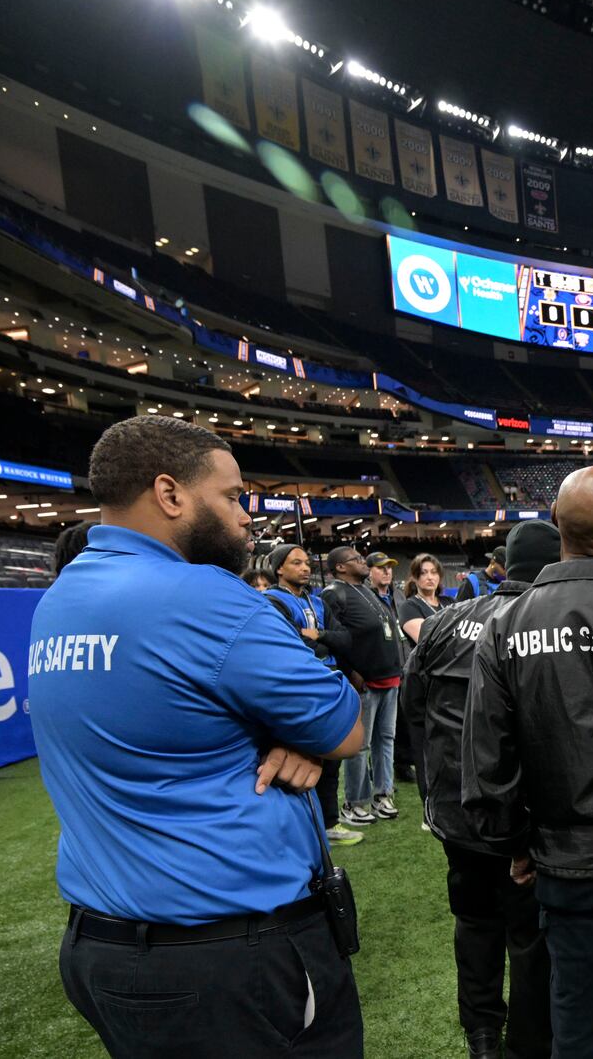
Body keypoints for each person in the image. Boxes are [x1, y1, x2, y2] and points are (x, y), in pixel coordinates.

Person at [30, 415, 365, 1059]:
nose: (246, 518)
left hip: (105, 949)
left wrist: (285, 733)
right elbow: (344, 726)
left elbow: (163, 714)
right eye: (233, 496)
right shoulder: (203, 595)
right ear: (170, 493)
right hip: (230, 957)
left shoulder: (61, 597)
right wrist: (298, 734)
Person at [465, 468, 593, 1059]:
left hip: (566, 855)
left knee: (575, 1023)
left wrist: (514, 843)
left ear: (554, 522)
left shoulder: (506, 622)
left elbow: (487, 757)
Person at [401, 522, 560, 1059]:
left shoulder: (445, 621)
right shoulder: (547, 623)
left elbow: (412, 710)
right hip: (527, 813)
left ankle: (484, 1035)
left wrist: (434, 784)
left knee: (475, 921)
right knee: (529, 934)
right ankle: (525, 1042)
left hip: (456, 810)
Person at [266, 543, 365, 849]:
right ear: (279, 568)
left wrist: (320, 636)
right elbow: (290, 644)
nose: (306, 568)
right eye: (297, 563)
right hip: (300, 685)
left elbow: (346, 640)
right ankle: (303, 828)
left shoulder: (318, 601)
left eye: (307, 562)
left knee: (330, 759)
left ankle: (330, 822)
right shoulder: (272, 601)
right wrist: (325, 644)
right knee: (301, 759)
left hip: (327, 683)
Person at [323, 545, 405, 827]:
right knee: (361, 746)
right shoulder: (334, 593)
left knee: (386, 740)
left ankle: (383, 794)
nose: (362, 561)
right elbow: (334, 638)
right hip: (364, 680)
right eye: (355, 559)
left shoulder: (368, 592)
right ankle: (355, 802)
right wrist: (350, 672)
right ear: (340, 567)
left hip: (389, 676)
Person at [401, 553, 451, 644]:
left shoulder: (450, 602)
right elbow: (427, 642)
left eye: (434, 572)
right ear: (414, 578)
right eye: (423, 573)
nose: (430, 577)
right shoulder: (408, 607)